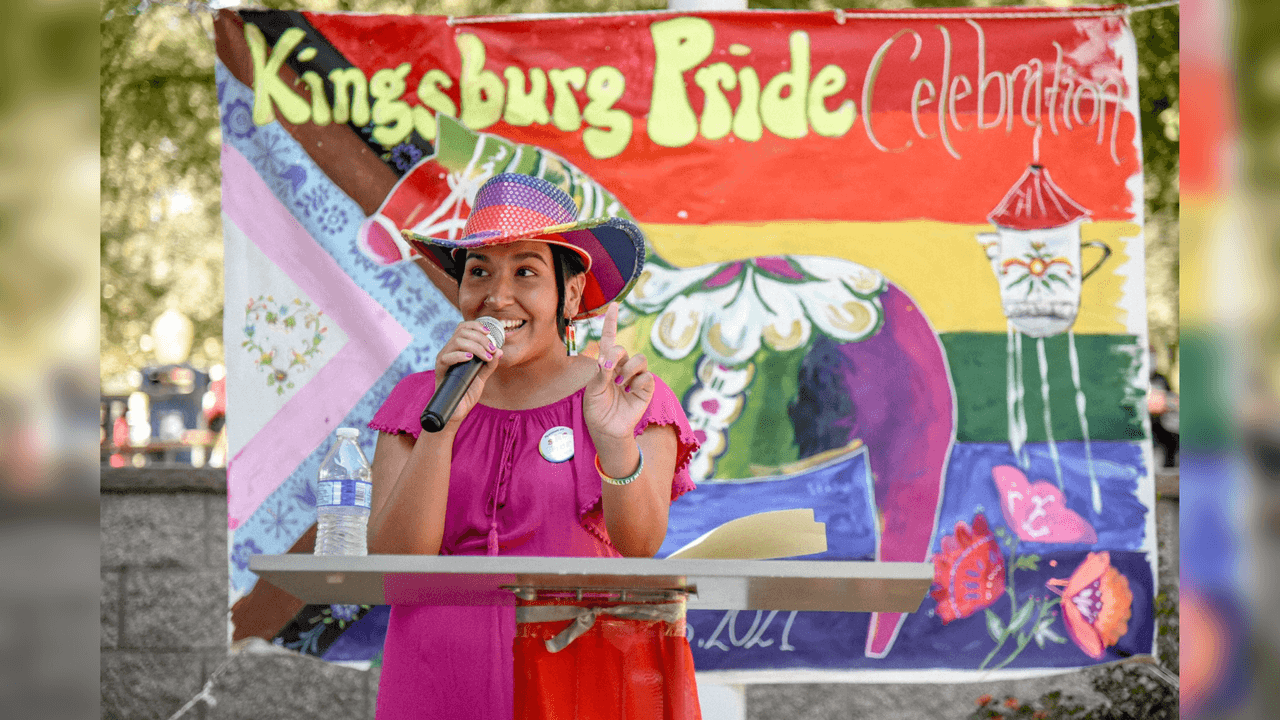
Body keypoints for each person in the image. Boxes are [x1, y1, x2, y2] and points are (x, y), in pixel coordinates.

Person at [366, 173, 701, 720]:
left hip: (584, 678)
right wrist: (443, 428)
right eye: (479, 272)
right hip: (444, 681)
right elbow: (398, 566)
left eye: (526, 271)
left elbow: (639, 545)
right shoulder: (418, 403)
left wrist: (615, 442)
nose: (497, 297)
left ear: (569, 293)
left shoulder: (628, 398)